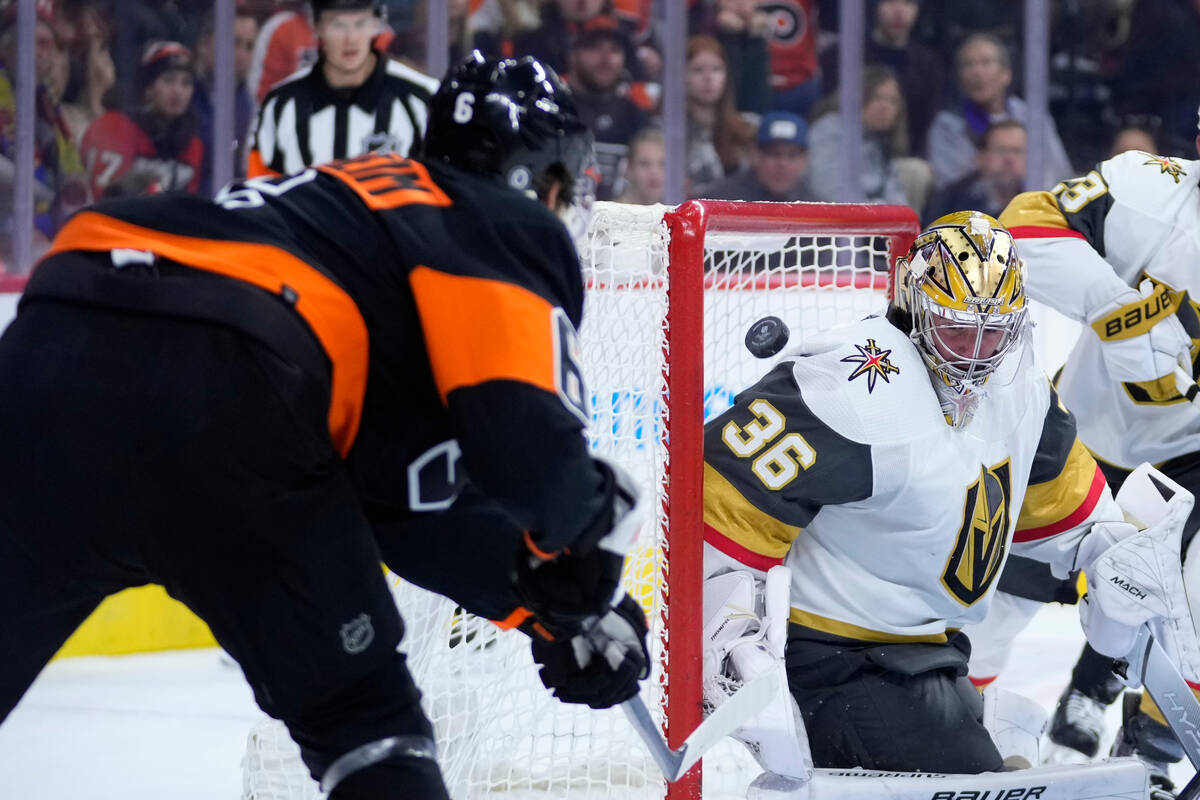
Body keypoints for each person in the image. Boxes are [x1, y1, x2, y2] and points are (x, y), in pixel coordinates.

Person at [0, 54, 648, 799]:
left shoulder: (347, 215)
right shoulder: (492, 219)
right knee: (362, 722)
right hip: (229, 383)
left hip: (55, 341)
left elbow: (401, 515)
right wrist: (585, 548)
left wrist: (546, 610)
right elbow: (529, 453)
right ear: (547, 181)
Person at [700, 210, 1184, 777]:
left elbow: (1066, 513)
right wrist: (728, 635)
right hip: (833, 659)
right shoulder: (852, 386)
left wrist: (1115, 556)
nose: (976, 355)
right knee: (981, 783)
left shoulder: (1022, 387)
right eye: (957, 328)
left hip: (933, 651)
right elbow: (719, 494)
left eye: (994, 332)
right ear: (915, 304)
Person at [986, 110, 1200, 797]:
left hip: (1193, 458)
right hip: (1083, 433)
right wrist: (1114, 309)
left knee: (1194, 598)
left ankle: (1153, 743)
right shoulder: (1148, 190)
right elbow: (1020, 225)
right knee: (993, 603)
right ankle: (953, 714)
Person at [247, 0, 438, 178]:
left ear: (377, 25)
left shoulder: (423, 99)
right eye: (338, 25)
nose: (351, 39)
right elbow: (259, 195)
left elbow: (446, 187)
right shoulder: (280, 106)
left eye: (360, 24)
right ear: (316, 26)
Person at [927, 33, 1072, 191]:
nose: (977, 73)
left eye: (986, 63)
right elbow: (950, 183)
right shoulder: (947, 126)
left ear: (1006, 75)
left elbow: (1059, 173)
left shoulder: (1033, 118)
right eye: (968, 65)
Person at [819, 0, 944, 159]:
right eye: (890, 2)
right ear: (874, 6)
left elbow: (928, 126)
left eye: (908, 3)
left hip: (906, 160)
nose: (899, 11)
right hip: (846, 156)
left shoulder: (929, 65)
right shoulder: (840, 55)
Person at [79, 40, 205, 198]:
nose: (178, 91)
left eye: (186, 83)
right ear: (148, 88)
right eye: (168, 80)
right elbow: (102, 200)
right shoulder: (114, 127)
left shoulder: (193, 144)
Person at [807, 65, 926, 210]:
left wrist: (895, 216)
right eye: (877, 97)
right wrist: (878, 213)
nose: (885, 107)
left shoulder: (880, 139)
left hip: (873, 217)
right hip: (835, 219)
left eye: (892, 101)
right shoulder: (830, 129)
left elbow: (895, 193)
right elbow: (829, 189)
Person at [566, 15, 647, 200]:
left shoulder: (634, 114)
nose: (606, 58)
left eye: (615, 50)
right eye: (594, 48)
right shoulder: (557, 107)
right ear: (573, 54)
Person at [193, 8, 259, 192]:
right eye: (234, 42)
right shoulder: (181, 90)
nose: (241, 55)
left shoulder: (244, 102)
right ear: (204, 44)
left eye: (249, 47)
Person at [684, 34, 755, 197]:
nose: (708, 78)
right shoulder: (665, 132)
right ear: (681, 76)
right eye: (698, 70)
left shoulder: (747, 129)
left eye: (716, 69)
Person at [924, 119, 1026, 223]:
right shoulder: (949, 201)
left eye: (1017, 151)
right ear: (981, 157)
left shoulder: (1037, 203)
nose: (1009, 158)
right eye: (1001, 150)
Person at [699, 110, 811, 202]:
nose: (782, 164)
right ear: (754, 155)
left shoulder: (815, 208)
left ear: (804, 160)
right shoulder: (716, 202)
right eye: (773, 153)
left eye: (792, 155)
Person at [614, 126, 665, 205]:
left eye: (663, 164)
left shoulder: (681, 212)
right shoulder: (612, 214)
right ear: (629, 168)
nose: (654, 171)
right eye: (644, 164)